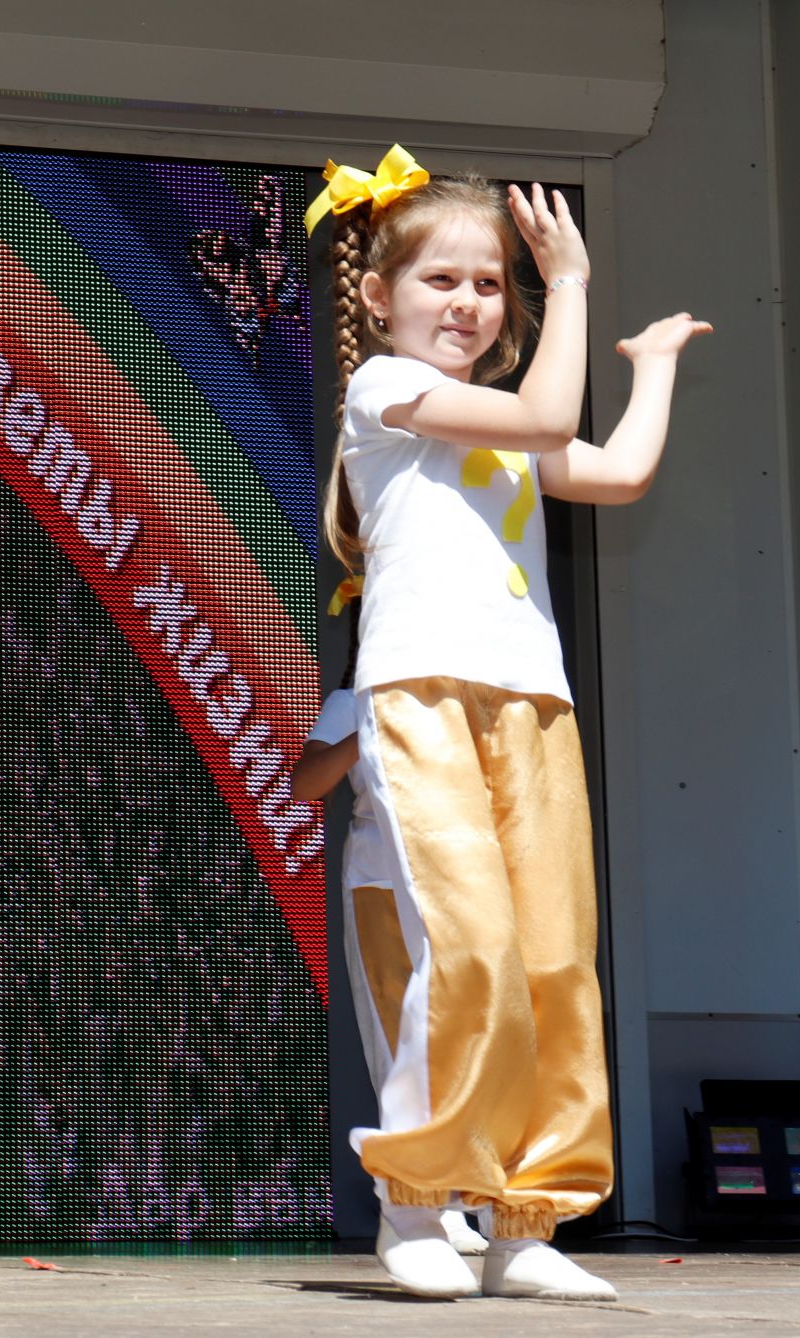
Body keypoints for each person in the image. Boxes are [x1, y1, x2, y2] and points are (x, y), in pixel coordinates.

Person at [313, 146, 709, 1300]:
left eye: (493, 285)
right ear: (382, 297)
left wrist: (655, 365)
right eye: (445, 280)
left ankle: (529, 1219)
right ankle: (418, 1201)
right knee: (470, 944)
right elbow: (546, 409)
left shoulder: (509, 441)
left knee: (550, 960)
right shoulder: (382, 392)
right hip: (421, 693)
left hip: (532, 702)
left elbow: (622, 471)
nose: (472, 303)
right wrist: (570, 281)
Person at [290, 579, 489, 1261]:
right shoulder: (350, 703)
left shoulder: (455, 702)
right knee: (397, 1041)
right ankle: (419, 1201)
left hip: (454, 884)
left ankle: (458, 1193)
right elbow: (305, 782)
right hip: (380, 883)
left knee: (461, 1038)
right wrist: (366, 728)